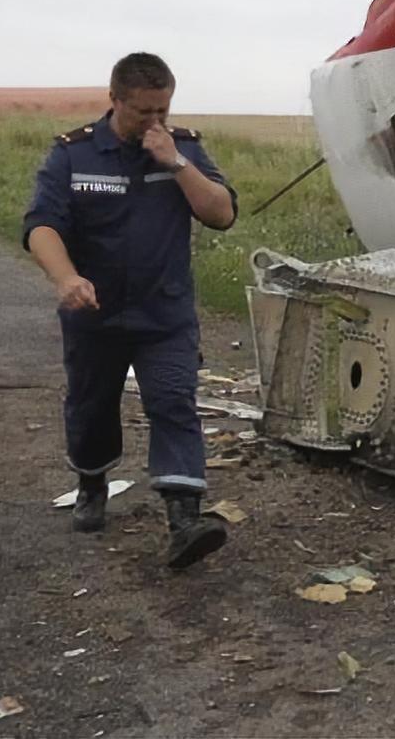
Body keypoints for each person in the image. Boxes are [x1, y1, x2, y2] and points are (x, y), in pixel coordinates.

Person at [23, 52, 238, 569]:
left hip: (163, 316)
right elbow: (42, 225)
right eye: (143, 112)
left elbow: (221, 213)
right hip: (93, 315)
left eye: (163, 109)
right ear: (115, 100)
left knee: (172, 402)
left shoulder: (183, 148)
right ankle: (93, 484)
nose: (155, 121)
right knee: (91, 408)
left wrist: (177, 164)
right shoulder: (73, 155)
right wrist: (65, 277)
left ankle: (184, 520)